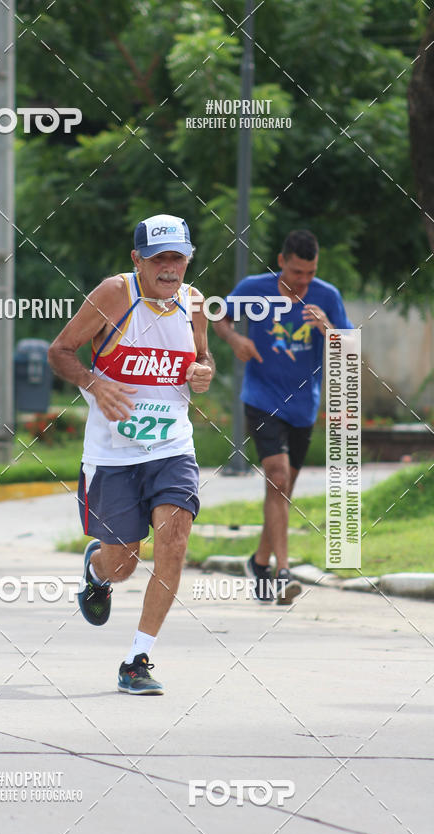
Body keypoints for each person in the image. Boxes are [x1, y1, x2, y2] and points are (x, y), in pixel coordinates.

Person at [48, 214, 214, 694]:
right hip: (113, 455)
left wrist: (204, 370)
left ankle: (137, 659)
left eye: (178, 258)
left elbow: (203, 356)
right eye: (159, 259)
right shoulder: (114, 295)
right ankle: (96, 570)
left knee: (174, 542)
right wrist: (94, 384)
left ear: (188, 259)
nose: (169, 268)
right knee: (122, 564)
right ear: (137, 259)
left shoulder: (195, 304)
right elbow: (60, 351)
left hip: (172, 448)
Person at [213, 229, 352, 604]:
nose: (303, 281)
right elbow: (218, 316)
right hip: (262, 398)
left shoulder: (327, 296)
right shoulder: (254, 288)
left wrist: (327, 327)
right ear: (281, 262)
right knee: (276, 477)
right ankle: (283, 572)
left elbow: (348, 347)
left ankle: (259, 562)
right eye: (296, 272)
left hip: (303, 405)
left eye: (310, 273)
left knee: (282, 491)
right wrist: (235, 339)